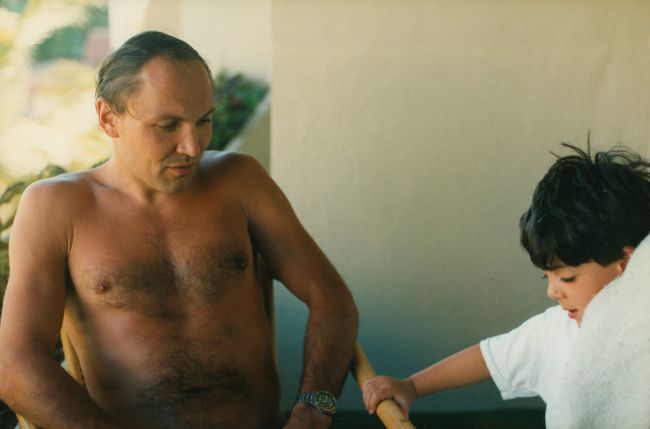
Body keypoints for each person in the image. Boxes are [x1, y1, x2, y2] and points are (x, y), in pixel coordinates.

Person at [0, 31, 358, 429]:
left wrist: (314, 406)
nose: (193, 146)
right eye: (167, 125)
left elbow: (332, 298)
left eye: (203, 120)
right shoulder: (58, 206)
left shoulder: (240, 182)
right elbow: (15, 363)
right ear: (108, 118)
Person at [362, 144, 650, 424]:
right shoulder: (553, 331)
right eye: (546, 277)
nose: (552, 292)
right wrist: (411, 386)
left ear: (624, 263)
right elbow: (488, 357)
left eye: (567, 278)